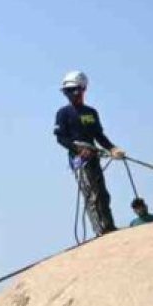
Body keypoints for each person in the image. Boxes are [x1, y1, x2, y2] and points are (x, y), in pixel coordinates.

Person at [54, 70, 126, 236]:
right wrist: (79, 150)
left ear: (82, 89)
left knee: (102, 192)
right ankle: (100, 231)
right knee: (91, 193)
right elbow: (61, 138)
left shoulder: (91, 113)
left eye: (74, 89)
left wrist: (113, 149)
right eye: (68, 91)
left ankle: (109, 226)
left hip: (93, 155)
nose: (71, 94)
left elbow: (99, 136)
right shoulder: (63, 113)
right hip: (79, 158)